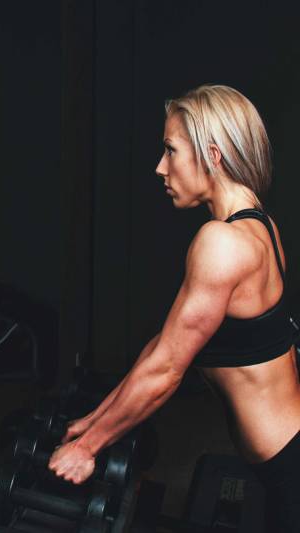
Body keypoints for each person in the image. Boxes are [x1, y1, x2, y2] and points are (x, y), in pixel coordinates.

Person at [48, 85, 300, 530]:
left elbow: (167, 369)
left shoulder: (221, 244)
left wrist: (86, 450)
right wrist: (96, 421)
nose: (160, 167)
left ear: (213, 155)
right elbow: (165, 346)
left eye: (171, 150)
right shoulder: (262, 226)